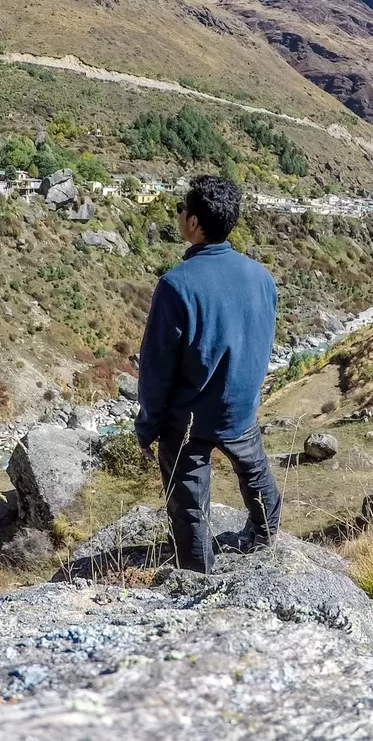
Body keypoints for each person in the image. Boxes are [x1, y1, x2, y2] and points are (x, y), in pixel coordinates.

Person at [135, 174, 282, 573]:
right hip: (240, 408)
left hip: (189, 418)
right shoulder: (261, 277)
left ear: (195, 222)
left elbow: (155, 369)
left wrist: (147, 426)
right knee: (254, 473)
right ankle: (266, 536)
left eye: (182, 208)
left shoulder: (176, 286)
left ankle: (196, 578)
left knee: (189, 507)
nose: (179, 214)